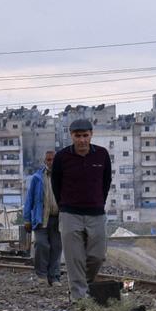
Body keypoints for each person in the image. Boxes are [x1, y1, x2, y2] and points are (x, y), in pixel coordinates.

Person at [51, 119, 111, 299]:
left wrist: (99, 202)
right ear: (71, 136)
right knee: (74, 258)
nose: (82, 140)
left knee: (97, 256)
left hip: (96, 213)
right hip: (70, 214)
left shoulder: (102, 155)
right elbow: (56, 184)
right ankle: (79, 298)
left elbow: (106, 182)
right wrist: (64, 207)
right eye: (78, 136)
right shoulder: (62, 157)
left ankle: (83, 285)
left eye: (85, 135)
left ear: (91, 135)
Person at [23, 149, 61, 285]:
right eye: (49, 160)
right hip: (40, 219)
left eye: (54, 160)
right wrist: (27, 219)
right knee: (41, 245)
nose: (51, 162)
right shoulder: (37, 178)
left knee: (56, 247)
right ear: (45, 161)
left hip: (58, 219)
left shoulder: (62, 176)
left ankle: (55, 277)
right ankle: (42, 276)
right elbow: (29, 200)